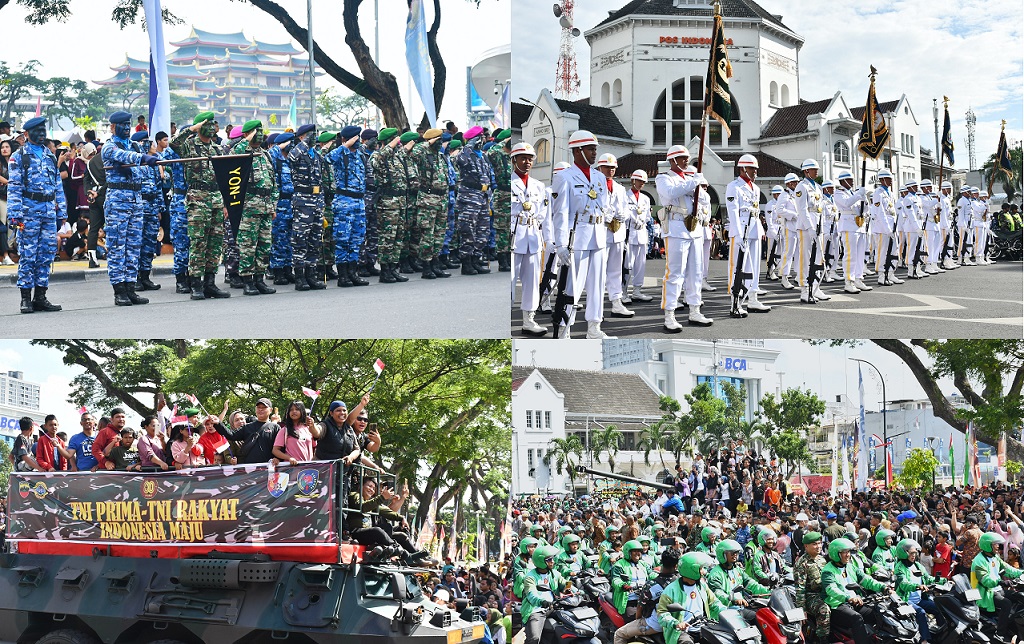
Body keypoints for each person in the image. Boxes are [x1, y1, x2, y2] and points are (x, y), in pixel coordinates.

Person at [551, 130, 611, 338]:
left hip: (599, 235)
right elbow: (560, 213)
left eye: (595, 149)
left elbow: (606, 204)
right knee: (572, 285)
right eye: (590, 149)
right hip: (578, 236)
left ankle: (594, 326)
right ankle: (565, 328)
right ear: (577, 151)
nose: (594, 153)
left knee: (597, 284)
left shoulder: (599, 177)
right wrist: (560, 244)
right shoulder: (564, 177)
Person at [169, 112, 231, 300]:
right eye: (208, 123)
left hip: (216, 197)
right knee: (198, 242)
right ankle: (196, 283)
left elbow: (224, 177)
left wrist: (226, 203)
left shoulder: (217, 149)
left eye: (213, 123)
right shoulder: (189, 145)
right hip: (197, 197)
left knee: (215, 243)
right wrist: (191, 129)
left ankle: (210, 283)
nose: (212, 127)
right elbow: (173, 144)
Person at [8, 116, 66, 314]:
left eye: (44, 130)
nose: (41, 134)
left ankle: (40, 297)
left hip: (49, 212)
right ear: (26, 134)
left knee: (47, 254)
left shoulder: (50, 156)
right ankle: (25, 298)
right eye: (37, 131)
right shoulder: (19, 156)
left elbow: (58, 185)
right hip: (28, 213)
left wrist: (62, 212)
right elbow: (14, 188)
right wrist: (15, 217)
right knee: (28, 254)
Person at [102, 111, 159, 306]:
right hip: (118, 199)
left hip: (136, 199)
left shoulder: (134, 145)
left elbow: (143, 171)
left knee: (134, 246)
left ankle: (131, 288)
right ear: (113, 127)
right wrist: (140, 159)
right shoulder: (110, 146)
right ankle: (119, 291)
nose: (126, 128)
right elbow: (123, 156)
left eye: (128, 124)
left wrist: (137, 163)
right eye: (122, 125)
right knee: (118, 246)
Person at [655, 145, 712, 331]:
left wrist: (695, 185)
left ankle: (695, 310)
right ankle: (669, 314)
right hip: (676, 227)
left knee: (696, 272)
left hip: (693, 228)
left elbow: (704, 199)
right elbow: (670, 193)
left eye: (687, 157)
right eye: (682, 158)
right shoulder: (663, 178)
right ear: (672, 160)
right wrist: (691, 184)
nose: (686, 160)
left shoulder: (690, 178)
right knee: (674, 273)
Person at [231, 120, 278, 296]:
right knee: (248, 246)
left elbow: (273, 183)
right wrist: (247, 139)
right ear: (248, 134)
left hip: (266, 206)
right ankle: (248, 281)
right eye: (255, 132)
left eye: (260, 131)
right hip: (249, 207)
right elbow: (233, 154)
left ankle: (260, 279)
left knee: (264, 245)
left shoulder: (265, 154)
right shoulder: (241, 152)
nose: (259, 135)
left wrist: (273, 205)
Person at [724, 153, 770, 317]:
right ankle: (734, 302)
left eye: (756, 169)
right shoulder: (733, 186)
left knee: (754, 266)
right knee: (737, 267)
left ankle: (753, 299)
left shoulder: (755, 188)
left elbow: (757, 211)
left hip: (754, 229)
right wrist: (736, 233)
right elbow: (733, 210)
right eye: (752, 169)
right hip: (741, 230)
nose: (755, 172)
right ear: (743, 169)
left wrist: (761, 229)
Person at [346, 476, 430, 564]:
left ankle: (417, 557)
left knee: (399, 534)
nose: (371, 490)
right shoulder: (355, 495)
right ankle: (403, 553)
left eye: (373, 488)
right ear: (361, 486)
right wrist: (382, 497)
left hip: (369, 533)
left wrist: (401, 518)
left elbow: (386, 511)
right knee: (377, 530)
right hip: (356, 532)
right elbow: (362, 507)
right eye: (369, 486)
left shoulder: (372, 502)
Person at [326, 125, 370, 287]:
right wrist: (344, 146)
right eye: (354, 138)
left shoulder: (361, 156)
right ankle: (343, 275)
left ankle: (353, 272)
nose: (357, 141)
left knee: (357, 238)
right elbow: (327, 159)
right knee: (342, 238)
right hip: (344, 201)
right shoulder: (340, 154)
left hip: (359, 202)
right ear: (345, 139)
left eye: (358, 137)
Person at [820, 538, 887, 644]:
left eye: (849, 552)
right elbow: (832, 590)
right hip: (838, 605)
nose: (848, 555)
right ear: (835, 554)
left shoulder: (850, 567)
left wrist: (884, 587)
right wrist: (848, 597)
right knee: (857, 618)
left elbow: (867, 580)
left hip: (854, 602)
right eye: (844, 552)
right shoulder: (827, 571)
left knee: (878, 612)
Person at [613, 547, 680, 644]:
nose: (637, 554)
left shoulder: (650, 583)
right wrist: (623, 585)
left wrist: (638, 621)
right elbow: (616, 580)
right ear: (676, 566)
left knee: (619, 634)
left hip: (655, 624)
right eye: (634, 551)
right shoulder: (680, 582)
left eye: (638, 551)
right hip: (677, 621)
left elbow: (640, 608)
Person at [411, 128, 452, 280]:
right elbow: (412, 153)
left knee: (439, 234)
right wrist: (427, 142)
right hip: (428, 199)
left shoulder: (440, 156)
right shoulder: (423, 153)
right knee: (427, 234)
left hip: (441, 199)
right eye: (438, 139)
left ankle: (436, 263)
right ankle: (426, 266)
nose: (441, 142)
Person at [657, 552, 725, 644]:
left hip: (704, 627)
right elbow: (662, 614)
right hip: (682, 632)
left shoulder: (702, 586)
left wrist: (726, 612)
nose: (703, 571)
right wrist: (676, 623)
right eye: (700, 569)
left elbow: (714, 603)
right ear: (691, 570)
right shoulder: (670, 590)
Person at [456, 126, 493, 275]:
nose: (484, 139)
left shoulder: (482, 155)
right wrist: (469, 145)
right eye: (481, 136)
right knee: (468, 229)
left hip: (483, 196)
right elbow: (459, 161)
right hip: (469, 196)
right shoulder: (465, 154)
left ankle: (476, 259)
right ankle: (466, 262)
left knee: (483, 230)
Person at [972, 531, 1022, 641]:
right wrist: (1001, 582)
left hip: (997, 589)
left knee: (1020, 597)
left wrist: (1021, 573)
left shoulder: (995, 557)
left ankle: (1013, 625)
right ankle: (1000, 634)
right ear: (987, 545)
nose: (997, 546)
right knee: (1006, 604)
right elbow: (986, 580)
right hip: (986, 592)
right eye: (995, 544)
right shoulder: (979, 561)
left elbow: (1008, 569)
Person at [893, 538, 943, 644]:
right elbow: (904, 585)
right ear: (903, 553)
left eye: (915, 553)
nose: (914, 555)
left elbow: (928, 578)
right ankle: (924, 640)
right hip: (905, 601)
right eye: (911, 553)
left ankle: (941, 634)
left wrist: (944, 581)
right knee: (921, 612)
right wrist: (918, 586)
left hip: (920, 599)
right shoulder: (899, 568)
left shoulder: (917, 565)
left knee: (938, 607)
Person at [706, 539, 768, 624]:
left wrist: (768, 591)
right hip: (724, 612)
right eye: (732, 553)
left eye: (737, 553)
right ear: (722, 554)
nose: (735, 555)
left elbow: (751, 584)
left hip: (740, 608)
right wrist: (734, 600)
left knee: (763, 617)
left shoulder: (737, 569)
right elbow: (718, 594)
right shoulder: (715, 574)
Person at [521, 545, 569, 644]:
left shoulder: (554, 573)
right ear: (541, 561)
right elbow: (531, 595)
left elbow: (564, 583)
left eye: (552, 559)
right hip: (536, 610)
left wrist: (573, 588)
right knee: (534, 638)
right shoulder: (530, 577)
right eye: (549, 560)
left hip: (553, 607)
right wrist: (541, 601)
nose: (553, 562)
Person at [216, 397, 280, 464]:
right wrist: (218, 423)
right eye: (258, 407)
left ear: (270, 410)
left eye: (264, 407)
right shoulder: (247, 427)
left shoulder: (275, 427)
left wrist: (278, 458)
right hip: (249, 469)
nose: (261, 409)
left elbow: (281, 447)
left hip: (269, 468)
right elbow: (231, 435)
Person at [793, 531, 830, 644]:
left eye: (819, 543)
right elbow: (800, 588)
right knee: (824, 610)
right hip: (811, 596)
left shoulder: (822, 559)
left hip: (825, 593)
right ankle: (822, 638)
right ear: (806, 546)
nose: (818, 546)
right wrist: (802, 610)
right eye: (814, 544)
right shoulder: (802, 563)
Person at [624, 169, 653, 304]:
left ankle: (637, 291)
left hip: (641, 233)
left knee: (640, 264)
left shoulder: (645, 199)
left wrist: (642, 221)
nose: (641, 183)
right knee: (627, 264)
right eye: (639, 181)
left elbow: (647, 216)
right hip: (629, 233)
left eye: (643, 182)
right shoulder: (625, 196)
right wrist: (632, 219)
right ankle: (623, 291)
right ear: (633, 181)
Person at [272, 401, 320, 465]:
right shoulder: (284, 430)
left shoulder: (309, 429)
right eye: (291, 410)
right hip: (291, 468)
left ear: (302, 411)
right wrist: (289, 458)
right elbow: (275, 450)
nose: (294, 411)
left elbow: (315, 449)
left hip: (308, 469)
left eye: (297, 409)